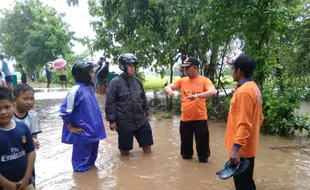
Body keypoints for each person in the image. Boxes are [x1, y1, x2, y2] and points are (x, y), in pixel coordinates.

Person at [164, 56, 217, 163]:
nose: (185, 70)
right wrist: (170, 91)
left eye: (187, 68)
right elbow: (167, 87)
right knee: (186, 154)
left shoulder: (204, 81)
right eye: (184, 68)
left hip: (200, 119)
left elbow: (213, 92)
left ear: (195, 68)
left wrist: (197, 96)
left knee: (203, 154)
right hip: (185, 120)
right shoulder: (182, 81)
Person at [224, 55, 263, 190]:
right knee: (247, 182)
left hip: (242, 150)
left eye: (233, 69)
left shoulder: (244, 92)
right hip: (248, 146)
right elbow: (259, 118)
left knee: (243, 186)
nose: (232, 72)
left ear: (239, 72)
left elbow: (245, 123)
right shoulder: (253, 87)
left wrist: (236, 149)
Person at [59, 60, 106, 172]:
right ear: (83, 74)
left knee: (91, 164)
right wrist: (70, 127)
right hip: (83, 134)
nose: (93, 74)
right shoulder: (76, 90)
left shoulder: (89, 88)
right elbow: (65, 111)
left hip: (94, 133)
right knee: (81, 167)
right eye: (91, 72)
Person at [105, 53, 153, 155]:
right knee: (125, 152)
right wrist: (112, 121)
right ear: (123, 66)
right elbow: (110, 102)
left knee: (148, 147)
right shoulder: (115, 83)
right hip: (124, 122)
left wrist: (147, 113)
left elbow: (143, 98)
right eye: (130, 66)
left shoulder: (137, 82)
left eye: (134, 66)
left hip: (141, 119)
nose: (133, 68)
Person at [0, 87, 36, 190]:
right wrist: (6, 184)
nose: (3, 112)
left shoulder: (22, 127)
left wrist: (26, 178)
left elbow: (31, 152)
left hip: (25, 181)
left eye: (7, 107)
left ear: (14, 105)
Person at [13, 84, 41, 188]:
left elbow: (34, 138)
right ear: (15, 99)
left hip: (27, 159)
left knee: (29, 182)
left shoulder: (33, 117)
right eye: (25, 99)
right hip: (11, 157)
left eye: (32, 98)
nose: (29, 102)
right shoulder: (8, 116)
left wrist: (35, 142)